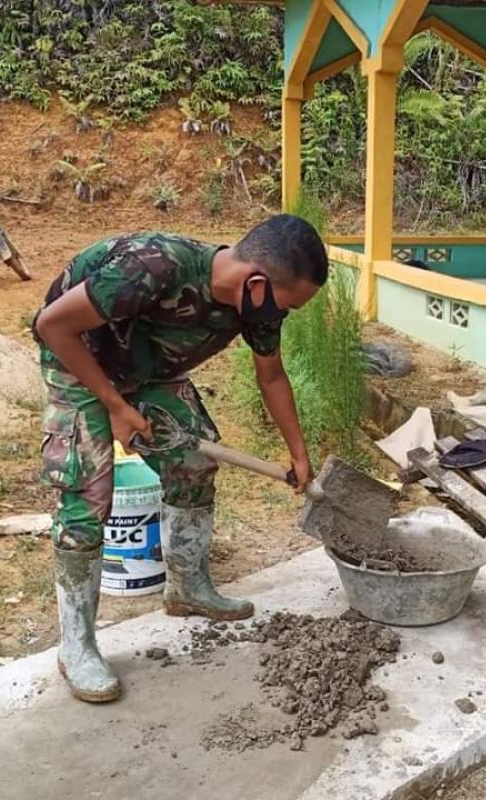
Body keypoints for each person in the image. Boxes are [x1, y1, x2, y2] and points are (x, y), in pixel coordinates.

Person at [32, 215, 327, 702]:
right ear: (256, 283)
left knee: (193, 463)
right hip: (79, 358)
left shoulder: (259, 306)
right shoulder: (152, 268)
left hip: (149, 369)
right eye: (289, 303)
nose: (285, 315)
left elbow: (271, 377)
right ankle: (77, 646)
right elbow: (52, 326)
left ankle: (188, 588)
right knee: (86, 498)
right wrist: (115, 406)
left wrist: (299, 454)